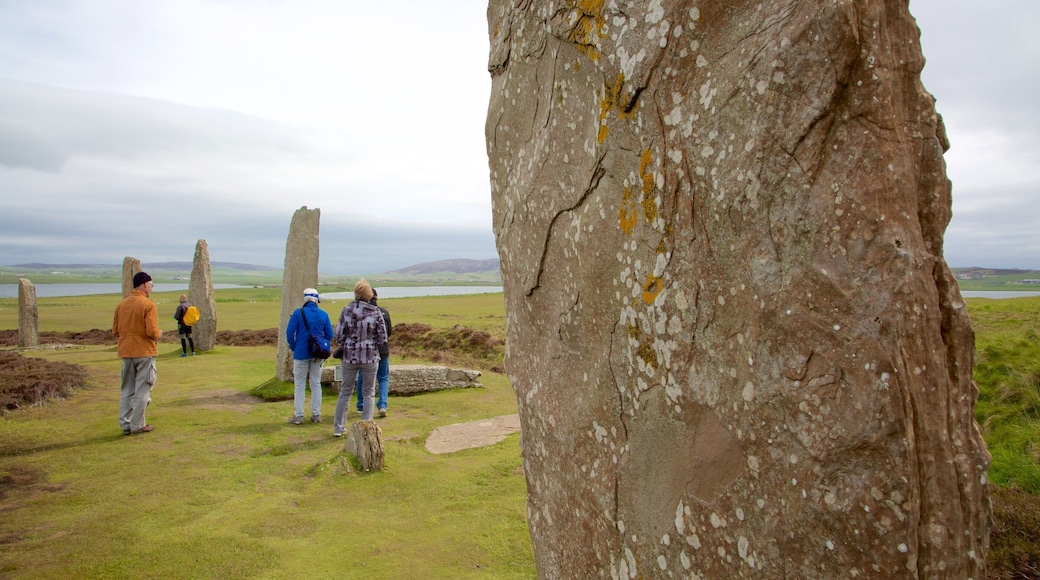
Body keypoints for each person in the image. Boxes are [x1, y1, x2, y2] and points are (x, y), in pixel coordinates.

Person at [333, 279, 388, 436]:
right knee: (368, 392)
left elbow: (339, 335)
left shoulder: (346, 310)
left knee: (345, 392)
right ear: (368, 293)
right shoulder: (375, 312)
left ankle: (339, 428)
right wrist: (371, 344)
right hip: (370, 356)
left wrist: (348, 344)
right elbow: (382, 338)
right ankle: (366, 428)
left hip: (350, 356)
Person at [112, 271, 162, 435]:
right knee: (143, 389)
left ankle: (125, 424)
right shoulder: (148, 305)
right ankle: (137, 424)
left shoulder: (121, 305)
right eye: (151, 285)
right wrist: (159, 334)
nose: (151, 289)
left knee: (127, 390)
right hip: (144, 351)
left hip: (126, 351)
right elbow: (152, 331)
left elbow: (115, 330)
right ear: (145, 284)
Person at [285, 288, 334, 425]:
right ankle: (316, 414)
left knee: (299, 385)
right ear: (317, 299)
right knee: (315, 383)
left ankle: (298, 415)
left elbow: (289, 334)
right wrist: (320, 342)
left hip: (300, 353)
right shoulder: (323, 314)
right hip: (317, 354)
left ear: (305, 299)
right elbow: (330, 334)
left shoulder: (297, 313)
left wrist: (294, 347)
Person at [355, 288, 392, 417]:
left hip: (366, 351)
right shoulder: (384, 313)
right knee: (383, 378)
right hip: (383, 350)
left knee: (362, 377)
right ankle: (382, 404)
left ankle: (361, 404)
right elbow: (389, 332)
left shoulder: (362, 313)